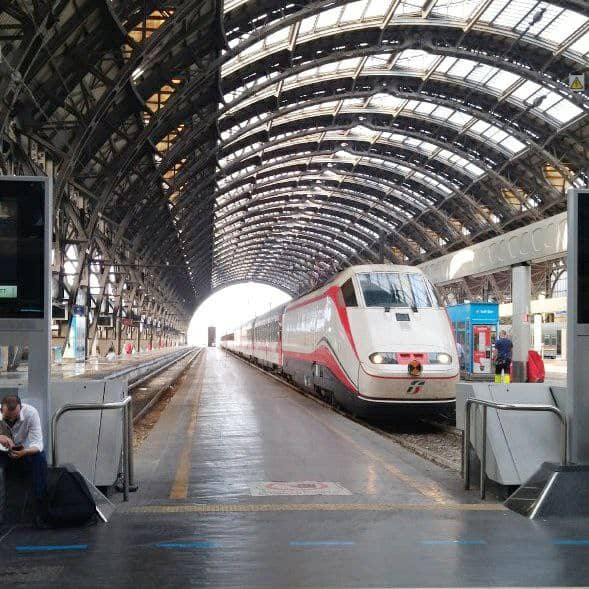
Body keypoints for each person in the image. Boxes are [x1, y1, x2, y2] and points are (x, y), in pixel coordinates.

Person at [0, 395, 48, 503]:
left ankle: (40, 501)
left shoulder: (31, 413)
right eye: (7, 418)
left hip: (23, 453)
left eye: (15, 417)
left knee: (40, 457)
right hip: (2, 454)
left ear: (20, 409)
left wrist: (24, 452)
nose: (11, 420)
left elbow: (38, 444)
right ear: (1, 410)